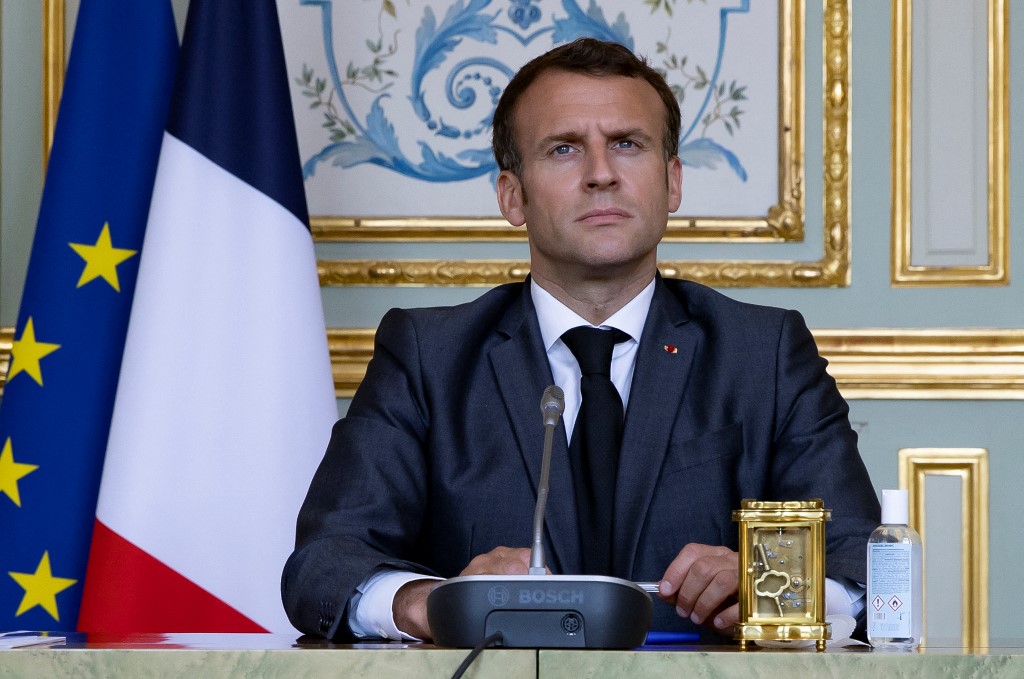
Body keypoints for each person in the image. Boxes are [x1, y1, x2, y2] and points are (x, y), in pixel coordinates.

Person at [281, 38, 880, 643]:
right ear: (511, 195)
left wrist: (770, 583)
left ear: (671, 183)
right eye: (564, 149)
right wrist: (434, 603)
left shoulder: (765, 353)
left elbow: (858, 558)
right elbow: (324, 566)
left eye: (627, 143)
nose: (601, 173)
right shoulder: (427, 356)